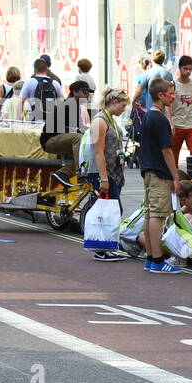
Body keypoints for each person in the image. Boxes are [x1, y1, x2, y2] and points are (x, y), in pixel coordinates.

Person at [138, 77, 182, 273]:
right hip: (159, 173)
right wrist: (175, 176)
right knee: (157, 215)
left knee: (150, 214)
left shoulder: (149, 115)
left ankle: (150, 257)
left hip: (148, 170)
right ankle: (157, 260)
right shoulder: (159, 119)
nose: (173, 96)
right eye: (170, 93)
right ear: (160, 95)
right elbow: (167, 151)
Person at [85, 87, 131, 262]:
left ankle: (107, 247)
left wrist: (120, 177)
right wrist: (104, 178)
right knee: (112, 209)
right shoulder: (99, 121)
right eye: (123, 105)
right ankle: (102, 249)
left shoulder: (110, 119)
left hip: (114, 173)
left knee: (113, 210)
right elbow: (98, 152)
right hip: (103, 173)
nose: (124, 109)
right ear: (114, 103)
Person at [169, 55, 192, 167]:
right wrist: (170, 123)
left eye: (190, 69)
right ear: (179, 68)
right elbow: (167, 105)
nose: (188, 71)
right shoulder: (172, 85)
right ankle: (175, 181)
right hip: (176, 125)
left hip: (191, 125)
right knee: (173, 157)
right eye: (185, 68)